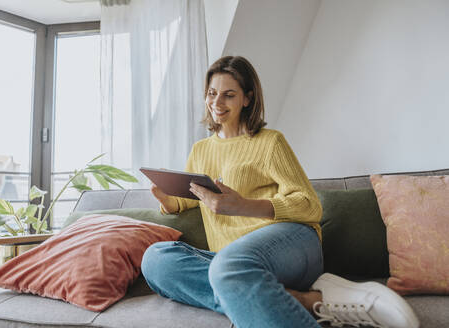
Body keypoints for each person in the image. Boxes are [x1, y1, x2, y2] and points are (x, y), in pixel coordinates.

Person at [141, 56, 419, 328]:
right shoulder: (201, 150)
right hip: (232, 261)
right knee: (155, 259)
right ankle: (298, 299)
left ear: (247, 99)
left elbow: (310, 205)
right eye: (212, 93)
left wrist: (240, 205)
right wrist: (169, 202)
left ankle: (248, 291)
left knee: (229, 268)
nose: (216, 102)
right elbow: (194, 196)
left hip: (293, 244)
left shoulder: (270, 142)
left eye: (228, 95)